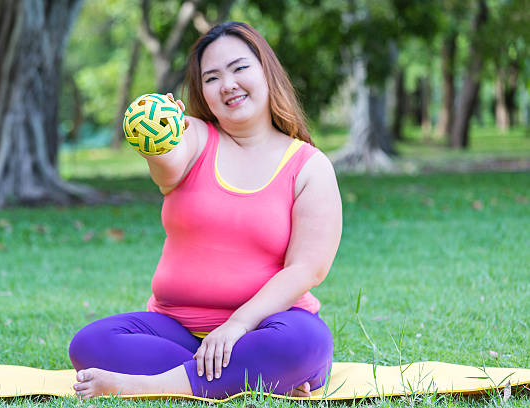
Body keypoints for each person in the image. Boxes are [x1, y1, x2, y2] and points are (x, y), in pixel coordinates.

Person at [68, 21, 342, 400]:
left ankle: (151, 386)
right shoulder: (194, 136)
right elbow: (168, 162)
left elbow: (308, 268)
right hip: (176, 328)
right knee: (91, 344)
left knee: (302, 344)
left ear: (267, 71)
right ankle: (236, 373)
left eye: (239, 68)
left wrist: (237, 326)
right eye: (211, 78)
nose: (227, 84)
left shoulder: (309, 166)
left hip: (267, 327)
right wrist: (156, 137)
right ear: (202, 93)